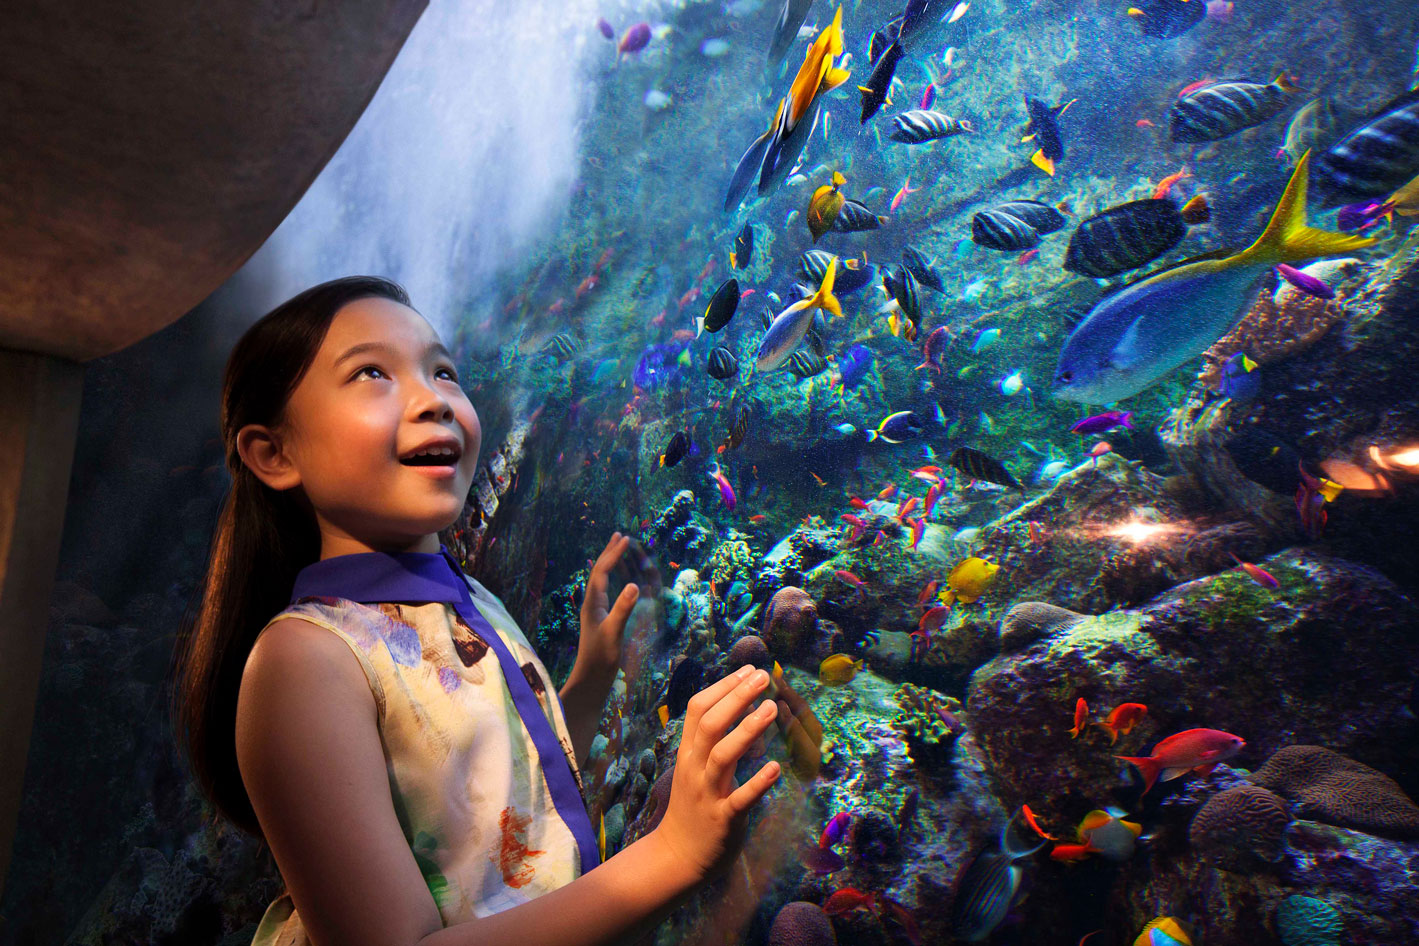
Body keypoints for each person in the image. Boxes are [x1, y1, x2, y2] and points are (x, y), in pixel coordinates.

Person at [170, 276, 783, 946]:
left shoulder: (467, 598)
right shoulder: (304, 661)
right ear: (274, 453)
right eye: (372, 373)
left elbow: (508, 786)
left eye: (443, 371)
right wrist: (669, 856)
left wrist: (589, 679)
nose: (432, 397)